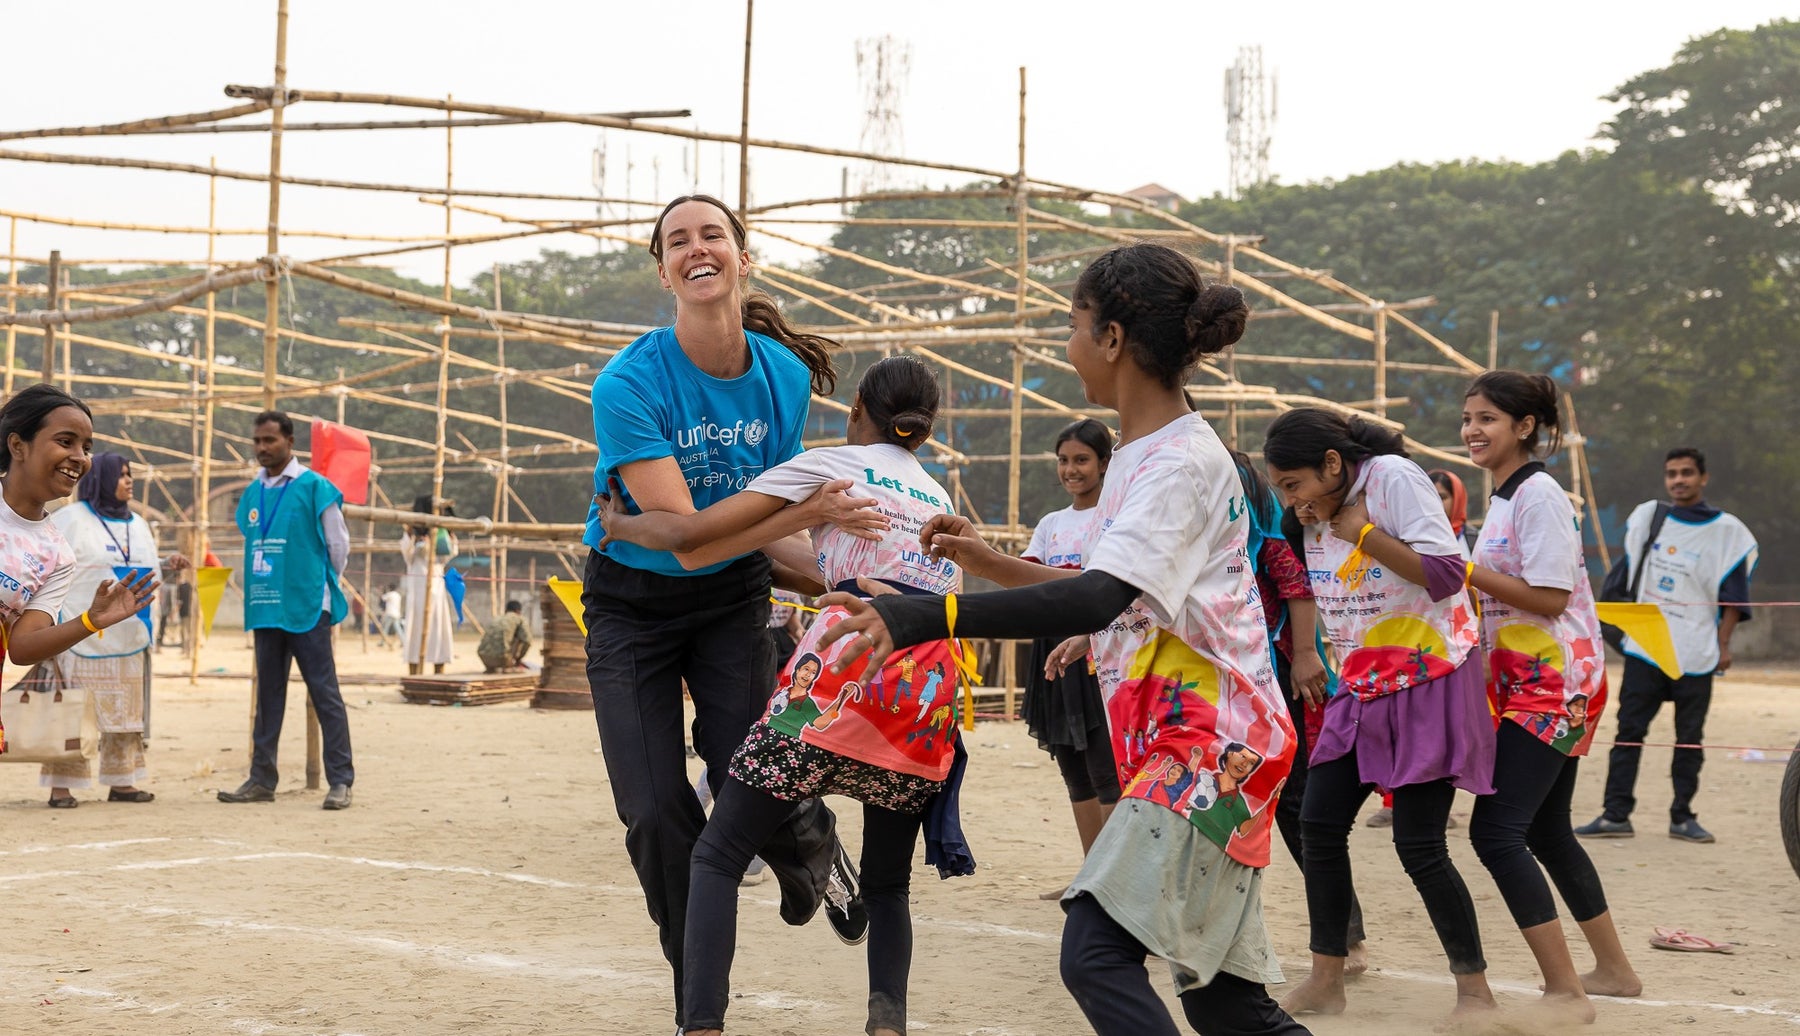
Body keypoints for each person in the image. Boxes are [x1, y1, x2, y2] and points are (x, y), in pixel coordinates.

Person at [816, 244, 1308, 1036]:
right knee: (1226, 1003)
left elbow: (1100, 595)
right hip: (1198, 745)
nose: (1066, 342)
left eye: (1074, 324)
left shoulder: (1177, 462)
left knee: (1094, 958)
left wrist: (929, 616)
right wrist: (991, 563)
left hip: (1211, 751)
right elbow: (1109, 598)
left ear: (1113, 339)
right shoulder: (1147, 457)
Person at [579, 193, 879, 1032]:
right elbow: (687, 541)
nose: (697, 247)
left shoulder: (780, 376)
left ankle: (809, 842)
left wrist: (847, 581)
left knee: (750, 767)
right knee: (652, 807)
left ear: (744, 258)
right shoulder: (629, 384)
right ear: (664, 268)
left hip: (730, 599)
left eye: (713, 234)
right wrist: (812, 511)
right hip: (631, 604)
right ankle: (695, 993)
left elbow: (757, 532)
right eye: (678, 241)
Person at [601, 354, 966, 1036]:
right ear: (928, 425)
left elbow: (695, 538)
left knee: (716, 853)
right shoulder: (940, 500)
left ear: (858, 408)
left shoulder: (831, 466)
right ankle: (886, 1025)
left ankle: (702, 1025)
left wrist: (620, 527)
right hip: (921, 701)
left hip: (838, 690)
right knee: (888, 886)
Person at [1263, 407, 1496, 1020]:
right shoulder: (1311, 515)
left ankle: (1475, 993)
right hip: (1360, 684)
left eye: (1295, 485)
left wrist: (1362, 533)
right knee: (1318, 824)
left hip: (1429, 675)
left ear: (1334, 464)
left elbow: (1448, 575)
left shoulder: (1391, 477)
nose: (1292, 501)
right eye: (1283, 489)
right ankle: (1326, 980)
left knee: (1419, 843)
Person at [1459, 371, 1641, 1018]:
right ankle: (1614, 971)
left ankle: (1566, 991)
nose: (1472, 430)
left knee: (1496, 831)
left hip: (1555, 684)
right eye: (1468, 417)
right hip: (1526, 684)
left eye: (1487, 418)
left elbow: (1551, 598)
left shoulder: (1538, 494)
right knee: (1546, 829)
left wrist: (1464, 570)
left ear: (1525, 427)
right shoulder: (1507, 498)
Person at [1234, 451, 1372, 976]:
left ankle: (1345, 938)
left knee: (1295, 808)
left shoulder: (1263, 537)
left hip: (1276, 682)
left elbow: (1296, 585)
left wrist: (1307, 654)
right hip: (1217, 687)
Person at [1577, 446, 1757, 844]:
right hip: (1646, 648)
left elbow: (1734, 597)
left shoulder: (1729, 534)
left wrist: (1723, 645)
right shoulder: (1650, 518)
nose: (1679, 480)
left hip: (1696, 651)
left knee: (1689, 737)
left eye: (1687, 473)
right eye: (1672, 473)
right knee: (1628, 732)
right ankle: (1615, 814)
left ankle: (1682, 817)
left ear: (1703, 477)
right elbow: (1623, 576)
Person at [0, 386, 157, 762]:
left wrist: (90, 620)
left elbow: (22, 647)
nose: (79, 457)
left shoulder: (56, 554)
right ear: (18, 445)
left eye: (86, 447)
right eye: (65, 441)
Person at [218, 411, 355, 811]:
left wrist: (313, 581)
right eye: (257, 441)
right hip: (266, 607)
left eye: (269, 441)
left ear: (290, 442)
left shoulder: (315, 488)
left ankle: (341, 781)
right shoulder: (252, 493)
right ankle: (262, 779)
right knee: (268, 697)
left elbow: (338, 548)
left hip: (308, 606)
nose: (262, 448)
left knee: (324, 694)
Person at [39, 454, 191, 806]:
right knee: (73, 712)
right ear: (101, 479)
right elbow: (47, 567)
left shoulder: (138, 524)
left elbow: (142, 570)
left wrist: (166, 566)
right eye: (121, 475)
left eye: (130, 474)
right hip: (80, 632)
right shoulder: (70, 520)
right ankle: (61, 786)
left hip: (130, 634)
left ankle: (122, 782)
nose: (128, 480)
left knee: (126, 715)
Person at [1018, 418, 1120, 898]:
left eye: (1081, 459)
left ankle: (1120, 881)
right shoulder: (1051, 525)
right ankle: (1091, 876)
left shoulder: (1115, 521)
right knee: (1073, 769)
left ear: (1104, 462)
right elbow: (1026, 576)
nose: (1071, 470)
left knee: (1107, 768)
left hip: (1099, 650)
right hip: (1050, 650)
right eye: (1063, 460)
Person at [1366, 467, 1474, 831]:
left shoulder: (1465, 540)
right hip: (1401, 645)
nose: (1437, 503)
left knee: (1434, 739)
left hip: (1449, 649)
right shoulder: (1400, 537)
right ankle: (1392, 800)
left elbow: (1467, 590)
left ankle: (1430, 809)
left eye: (1444, 497)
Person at [401, 495, 456, 676]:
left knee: (438, 629)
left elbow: (448, 554)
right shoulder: (410, 533)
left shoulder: (441, 534)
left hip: (436, 587)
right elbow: (408, 555)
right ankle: (414, 673)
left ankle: (439, 672)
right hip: (417, 588)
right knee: (415, 629)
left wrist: (443, 537)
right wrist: (417, 540)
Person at [478, 599, 532, 672]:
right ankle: (508, 665)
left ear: (506, 610)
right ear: (518, 611)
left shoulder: (497, 618)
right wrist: (518, 659)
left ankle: (492, 668)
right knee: (520, 638)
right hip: (502, 658)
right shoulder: (520, 619)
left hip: (483, 656)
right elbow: (527, 640)